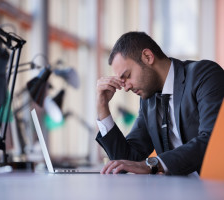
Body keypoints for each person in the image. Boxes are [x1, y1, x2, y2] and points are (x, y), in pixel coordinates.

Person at [96, 31, 224, 176]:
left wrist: (155, 164)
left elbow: (212, 140)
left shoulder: (204, 76)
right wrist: (102, 107)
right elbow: (127, 161)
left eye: (128, 76)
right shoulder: (148, 100)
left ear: (148, 57)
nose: (126, 88)